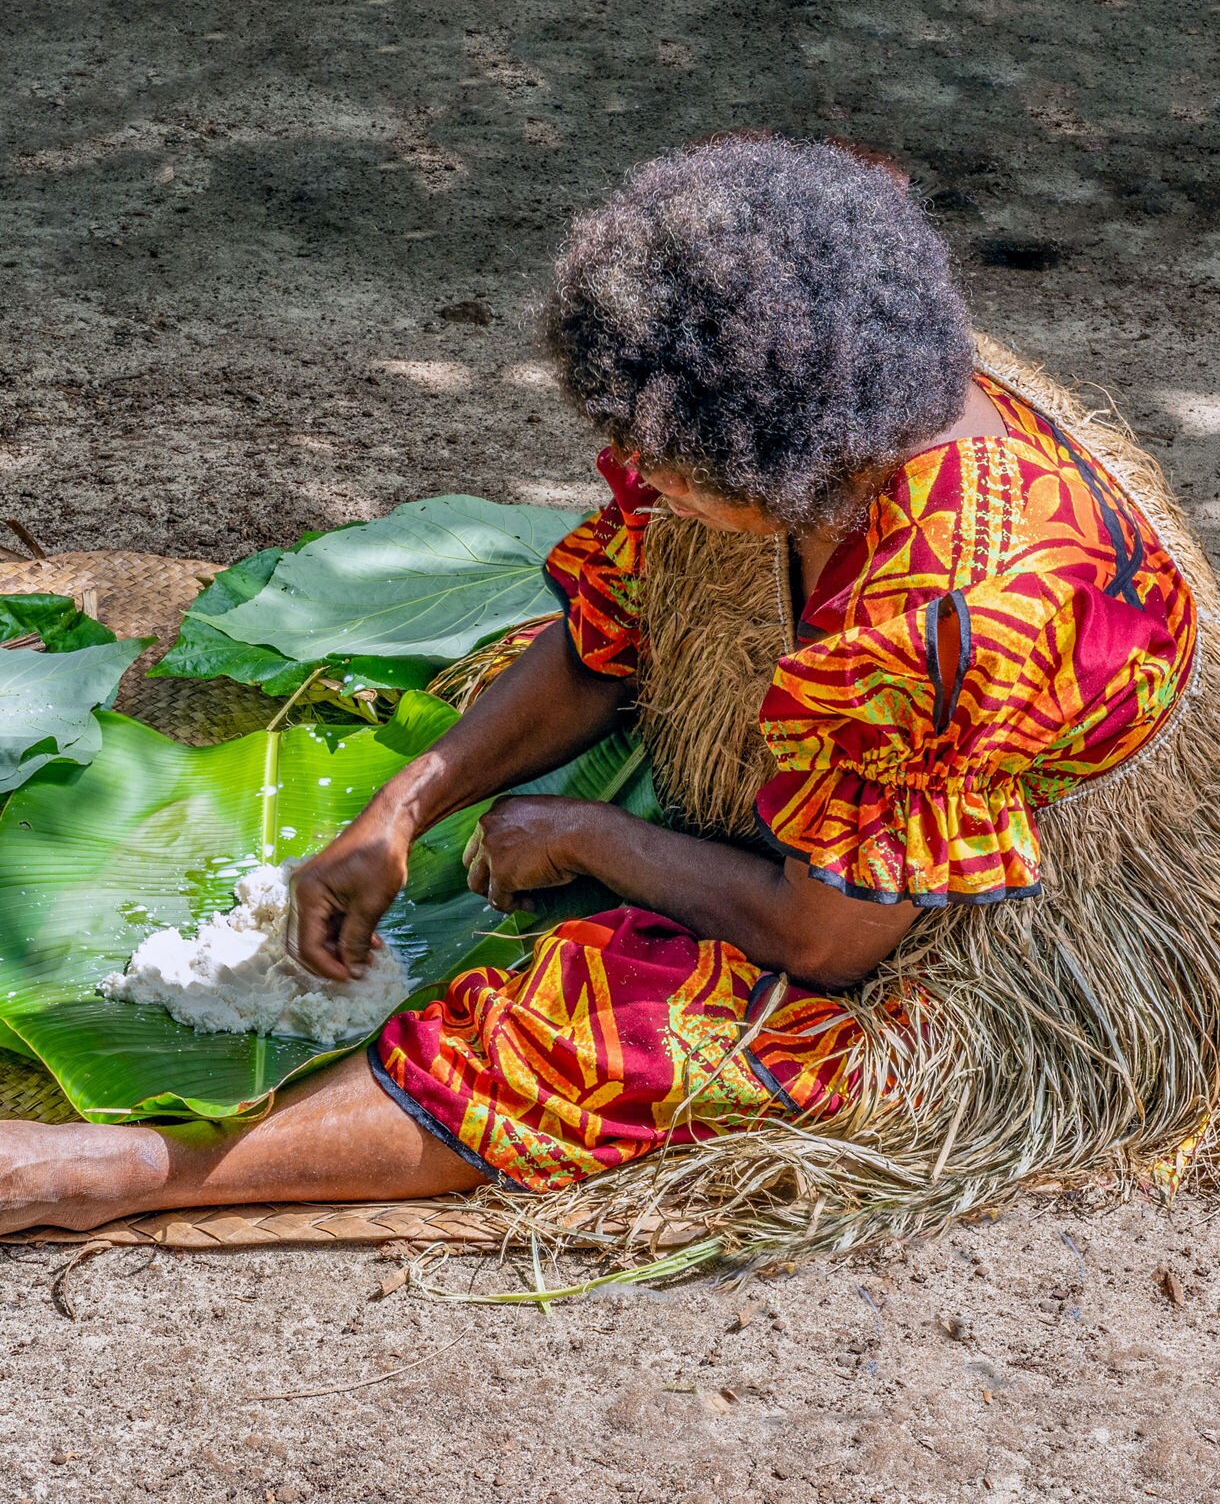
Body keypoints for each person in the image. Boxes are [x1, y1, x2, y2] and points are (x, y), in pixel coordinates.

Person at [2, 136, 1216, 1247]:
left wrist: (595, 833)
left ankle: (134, 1167)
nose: (635, 480)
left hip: (942, 926)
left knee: (630, 1028)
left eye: (669, 471)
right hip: (857, 800)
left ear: (803, 459)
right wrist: (402, 809)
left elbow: (821, 941)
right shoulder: (773, 408)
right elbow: (612, 632)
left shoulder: (951, 620)